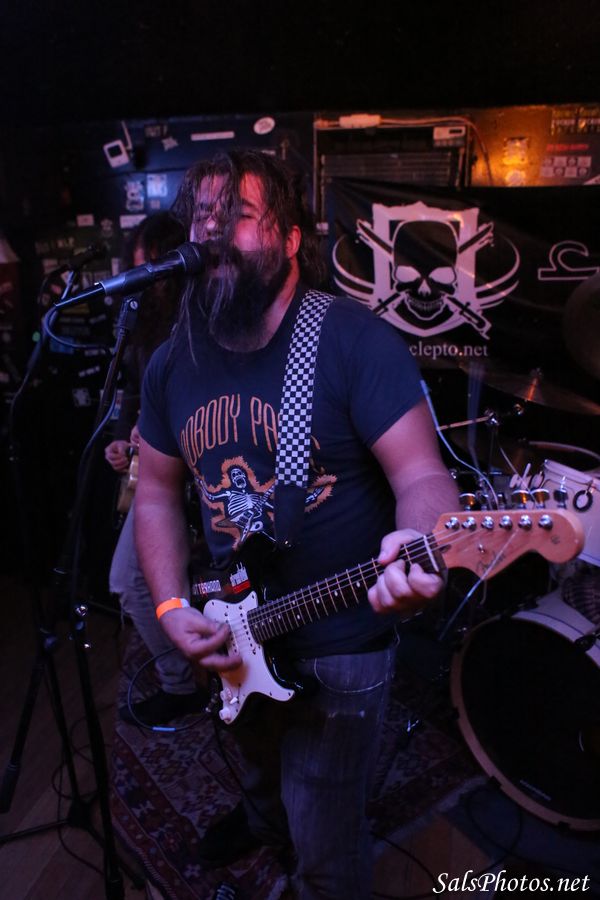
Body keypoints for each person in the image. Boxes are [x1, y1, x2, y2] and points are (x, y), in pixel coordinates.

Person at [134, 150, 459, 899]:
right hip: (235, 620)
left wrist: (418, 545)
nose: (211, 233)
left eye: (238, 217)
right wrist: (172, 606)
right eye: (203, 218)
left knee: (325, 838)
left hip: (339, 639)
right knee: (254, 761)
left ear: (288, 238)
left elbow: (423, 476)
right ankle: (260, 820)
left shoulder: (351, 340)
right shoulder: (174, 359)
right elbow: (153, 493)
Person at [105, 212, 206, 726]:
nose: (146, 276)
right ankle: (183, 680)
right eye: (139, 264)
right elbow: (131, 388)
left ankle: (184, 681)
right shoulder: (142, 320)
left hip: (198, 476)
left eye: (153, 266)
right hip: (156, 476)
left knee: (134, 581)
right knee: (130, 581)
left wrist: (159, 430)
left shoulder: (198, 319)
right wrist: (122, 438)